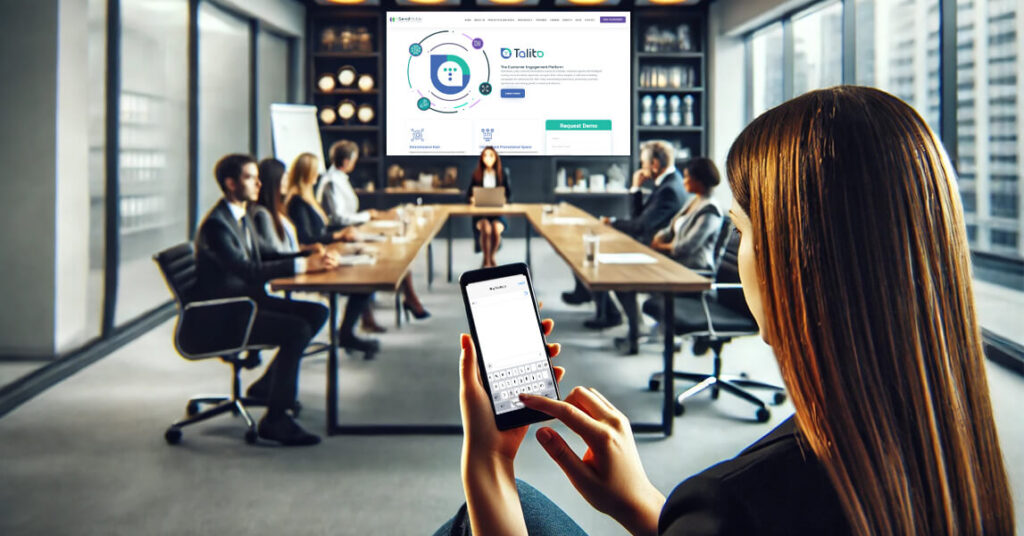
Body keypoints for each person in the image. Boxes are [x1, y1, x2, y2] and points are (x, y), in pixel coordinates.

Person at [439, 87, 1014, 534]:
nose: (734, 253)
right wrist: (643, 503)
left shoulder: (739, 500)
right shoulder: (959, 452)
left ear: (797, 264)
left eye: (740, 231)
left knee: (486, 512)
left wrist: (488, 463)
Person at [194, 153, 337, 446]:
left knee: (317, 313)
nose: (259, 183)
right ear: (231, 183)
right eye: (250, 177)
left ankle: (266, 386)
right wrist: (301, 266)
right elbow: (246, 269)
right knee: (296, 329)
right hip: (227, 313)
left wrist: (307, 257)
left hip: (246, 301)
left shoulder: (239, 215)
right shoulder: (218, 225)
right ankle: (275, 418)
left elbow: (264, 256)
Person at [572, 140, 689, 334]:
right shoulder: (669, 182)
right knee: (592, 253)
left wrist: (612, 222)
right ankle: (608, 313)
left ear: (655, 165)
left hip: (656, 254)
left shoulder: (668, 189)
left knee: (605, 265)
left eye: (643, 162)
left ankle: (626, 324)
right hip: (648, 246)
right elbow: (641, 220)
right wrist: (635, 189)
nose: (642, 167)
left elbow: (640, 226)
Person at [614, 157, 724, 354]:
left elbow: (686, 247)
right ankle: (640, 329)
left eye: (687, 177)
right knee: (621, 277)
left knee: (625, 282)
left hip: (692, 273)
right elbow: (671, 227)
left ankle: (637, 334)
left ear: (699, 180)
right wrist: (660, 238)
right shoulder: (694, 202)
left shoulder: (711, 210)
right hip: (675, 265)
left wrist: (662, 246)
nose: (684, 181)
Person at [318, 140, 430, 322]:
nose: (354, 163)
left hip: (351, 230)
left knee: (395, 251)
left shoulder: (339, 179)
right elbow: (339, 218)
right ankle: (400, 304)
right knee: (386, 254)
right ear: (346, 161)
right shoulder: (332, 182)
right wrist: (367, 216)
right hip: (341, 235)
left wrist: (367, 216)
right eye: (353, 159)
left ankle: (401, 302)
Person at [285, 152, 379, 356]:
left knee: (366, 272)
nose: (319, 175)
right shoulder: (298, 202)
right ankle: (346, 334)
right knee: (362, 284)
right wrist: (338, 235)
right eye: (315, 170)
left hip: (324, 251)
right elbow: (307, 238)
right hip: (312, 259)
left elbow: (318, 233)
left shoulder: (307, 198)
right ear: (307, 173)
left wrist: (339, 236)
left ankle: (347, 333)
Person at [465, 146, 511, 268]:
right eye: (485, 155)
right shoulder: (476, 175)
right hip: (481, 215)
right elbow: (468, 196)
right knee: (486, 228)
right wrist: (472, 198)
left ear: (496, 158)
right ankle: (487, 261)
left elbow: (509, 196)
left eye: (491, 155)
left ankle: (490, 258)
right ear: (482, 158)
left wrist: (503, 199)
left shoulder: (502, 174)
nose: (488, 158)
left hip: (497, 215)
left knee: (495, 229)